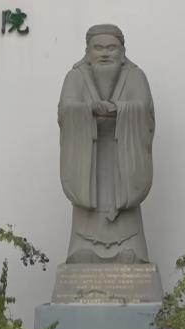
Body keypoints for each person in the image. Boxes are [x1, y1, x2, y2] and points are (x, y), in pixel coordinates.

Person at [58, 24, 155, 264]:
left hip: (123, 159)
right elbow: (66, 110)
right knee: (82, 247)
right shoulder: (75, 77)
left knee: (131, 250)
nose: (104, 53)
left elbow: (144, 110)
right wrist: (89, 109)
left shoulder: (135, 76)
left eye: (111, 48)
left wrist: (120, 111)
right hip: (88, 160)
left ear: (122, 52)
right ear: (87, 52)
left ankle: (132, 249)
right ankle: (82, 249)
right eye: (98, 48)